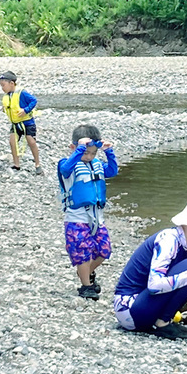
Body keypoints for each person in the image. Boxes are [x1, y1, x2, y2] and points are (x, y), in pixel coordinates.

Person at [114, 195, 187, 340]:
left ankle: (163, 320)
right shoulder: (168, 240)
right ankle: (162, 324)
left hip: (144, 308)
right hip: (130, 311)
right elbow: (154, 285)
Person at [58, 124, 119, 300]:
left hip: (97, 217)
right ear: (73, 148)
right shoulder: (68, 165)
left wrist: (109, 152)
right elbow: (65, 169)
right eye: (86, 153)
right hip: (77, 217)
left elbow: (112, 171)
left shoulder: (97, 164)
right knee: (82, 251)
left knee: (104, 249)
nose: (89, 156)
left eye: (93, 153)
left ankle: (86, 273)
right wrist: (79, 150)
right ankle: (86, 285)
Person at [0, 70, 42, 174]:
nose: (2, 88)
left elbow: (33, 101)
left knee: (31, 142)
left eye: (3, 85)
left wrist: (25, 110)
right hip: (15, 124)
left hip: (27, 123)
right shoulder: (7, 96)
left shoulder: (22, 93)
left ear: (11, 83)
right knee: (12, 142)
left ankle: (37, 164)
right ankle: (16, 164)